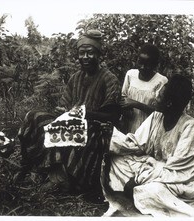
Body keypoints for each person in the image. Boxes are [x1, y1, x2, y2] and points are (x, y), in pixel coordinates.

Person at [16, 29, 121, 194]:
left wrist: (84, 114)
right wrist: (63, 110)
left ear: (98, 54)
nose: (85, 57)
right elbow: (65, 105)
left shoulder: (109, 79)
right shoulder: (76, 78)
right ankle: (30, 165)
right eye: (82, 53)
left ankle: (60, 178)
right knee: (34, 117)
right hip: (70, 121)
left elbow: (112, 116)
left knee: (64, 131)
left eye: (90, 53)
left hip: (95, 128)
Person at [101, 74, 194, 217]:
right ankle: (137, 195)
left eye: (160, 95)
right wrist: (112, 136)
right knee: (117, 160)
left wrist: (139, 178)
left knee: (154, 191)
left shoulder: (190, 128)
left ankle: (140, 195)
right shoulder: (156, 117)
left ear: (169, 103)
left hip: (185, 178)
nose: (155, 97)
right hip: (157, 168)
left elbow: (179, 171)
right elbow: (135, 143)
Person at [120, 44, 168, 133]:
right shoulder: (130, 74)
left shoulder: (161, 81)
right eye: (140, 62)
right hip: (129, 125)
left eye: (147, 64)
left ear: (155, 65)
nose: (142, 67)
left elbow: (160, 112)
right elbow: (123, 98)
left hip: (148, 129)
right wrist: (125, 110)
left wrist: (136, 104)